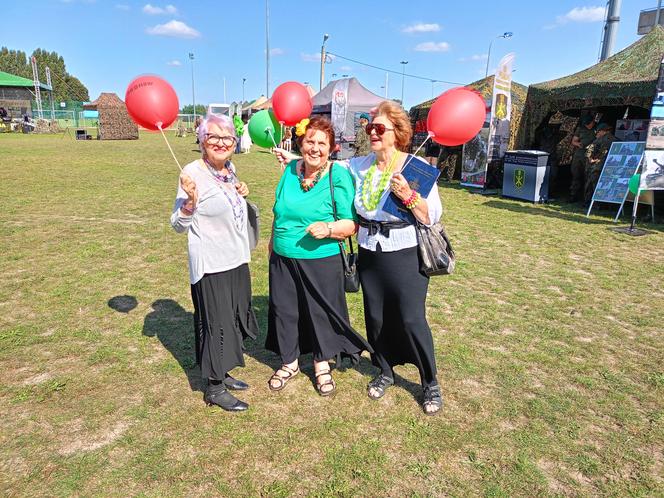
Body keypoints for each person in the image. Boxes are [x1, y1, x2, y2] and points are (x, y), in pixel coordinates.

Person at [348, 101, 444, 415]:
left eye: (380, 128)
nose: (372, 132)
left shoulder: (414, 167)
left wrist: (409, 195)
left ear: (397, 133)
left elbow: (430, 217)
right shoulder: (359, 166)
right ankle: (386, 370)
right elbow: (322, 165)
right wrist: (291, 158)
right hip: (369, 252)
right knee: (375, 318)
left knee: (410, 318)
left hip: (405, 252)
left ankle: (429, 382)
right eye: (370, 127)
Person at [266, 116, 372, 396]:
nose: (314, 148)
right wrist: (271, 246)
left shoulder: (338, 175)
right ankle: (289, 362)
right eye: (309, 141)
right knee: (284, 310)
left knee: (319, 314)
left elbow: (351, 224)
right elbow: (279, 212)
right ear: (301, 143)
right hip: (282, 256)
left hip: (322, 259)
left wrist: (327, 229)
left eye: (321, 143)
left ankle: (321, 363)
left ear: (331, 148)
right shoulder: (290, 170)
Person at [170, 114, 258, 412]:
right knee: (216, 324)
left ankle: (224, 371)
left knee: (231, 320)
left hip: (235, 258)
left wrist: (241, 191)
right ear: (202, 140)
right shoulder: (192, 173)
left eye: (227, 138)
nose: (221, 143)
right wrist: (189, 205)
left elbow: (228, 203)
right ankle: (214, 387)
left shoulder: (229, 169)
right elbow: (177, 224)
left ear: (235, 142)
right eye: (214, 137)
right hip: (211, 263)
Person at [585, 122, 617, 204]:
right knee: (605, 185)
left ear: (603, 131)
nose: (597, 133)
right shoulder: (616, 140)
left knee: (592, 184)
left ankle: (591, 203)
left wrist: (591, 160)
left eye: (598, 131)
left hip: (597, 166)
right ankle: (603, 203)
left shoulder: (599, 140)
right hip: (611, 166)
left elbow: (589, 150)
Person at [570, 115, 595, 202]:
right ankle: (573, 195)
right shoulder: (580, 129)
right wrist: (578, 144)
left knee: (587, 177)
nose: (588, 125)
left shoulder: (596, 130)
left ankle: (586, 198)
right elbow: (573, 141)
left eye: (590, 124)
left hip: (589, 156)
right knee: (576, 175)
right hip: (579, 155)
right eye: (587, 124)